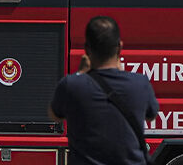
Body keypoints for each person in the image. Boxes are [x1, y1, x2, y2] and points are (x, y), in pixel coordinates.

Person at [49, 16, 159, 165]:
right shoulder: (140, 83)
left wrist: (81, 72)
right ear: (119, 47)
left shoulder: (71, 85)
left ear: (87, 49)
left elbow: (55, 115)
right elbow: (151, 116)